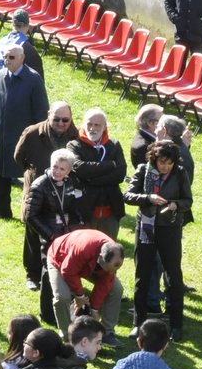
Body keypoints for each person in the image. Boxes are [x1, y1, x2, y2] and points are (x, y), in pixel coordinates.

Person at [126, 140, 191, 340]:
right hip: (146, 227)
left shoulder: (180, 173)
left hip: (169, 228)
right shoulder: (143, 170)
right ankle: (139, 322)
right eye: (162, 162)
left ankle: (176, 324)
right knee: (142, 274)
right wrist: (148, 198)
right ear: (154, 159)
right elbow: (128, 195)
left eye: (169, 163)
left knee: (173, 276)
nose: (165, 167)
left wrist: (174, 205)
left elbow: (188, 201)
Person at [16, 102, 77, 291]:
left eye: (65, 120)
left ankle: (61, 272)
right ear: (48, 115)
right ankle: (32, 275)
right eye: (56, 118)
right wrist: (33, 174)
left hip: (61, 195)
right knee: (33, 233)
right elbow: (19, 157)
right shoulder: (33, 133)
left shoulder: (75, 135)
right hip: (38, 190)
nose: (61, 123)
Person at [0, 45, 50, 220]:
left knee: (29, 175)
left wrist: (39, 138)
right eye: (5, 57)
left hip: (24, 138)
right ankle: (2, 210)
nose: (7, 61)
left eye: (11, 57)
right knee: (0, 173)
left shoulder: (33, 79)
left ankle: (30, 211)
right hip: (0, 136)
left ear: (22, 58)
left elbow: (41, 112)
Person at [26, 148, 88, 315]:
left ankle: (68, 308)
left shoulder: (70, 182)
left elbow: (74, 207)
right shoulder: (40, 184)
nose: (57, 171)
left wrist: (78, 227)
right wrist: (51, 235)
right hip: (50, 235)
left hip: (67, 234)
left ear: (68, 171)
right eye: (55, 167)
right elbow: (30, 216)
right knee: (49, 271)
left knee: (69, 268)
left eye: (62, 169)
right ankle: (47, 312)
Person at [45, 227, 125, 338]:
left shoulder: (112, 253)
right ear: (101, 258)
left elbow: (104, 285)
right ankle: (68, 336)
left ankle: (106, 332)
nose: (113, 272)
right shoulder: (84, 248)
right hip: (60, 259)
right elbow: (68, 271)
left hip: (89, 265)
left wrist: (94, 309)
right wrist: (80, 296)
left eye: (117, 267)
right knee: (62, 297)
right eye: (113, 267)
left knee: (116, 289)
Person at [68, 108, 127, 238]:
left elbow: (120, 174)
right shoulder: (74, 145)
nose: (92, 128)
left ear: (104, 127)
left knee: (108, 253)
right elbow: (80, 168)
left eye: (97, 125)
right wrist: (109, 165)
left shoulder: (114, 145)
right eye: (89, 124)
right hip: (84, 211)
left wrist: (91, 179)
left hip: (110, 210)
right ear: (83, 124)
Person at [0, 9, 44, 76]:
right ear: (28, 26)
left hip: (0, 84)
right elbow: (38, 80)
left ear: (12, 24)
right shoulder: (28, 49)